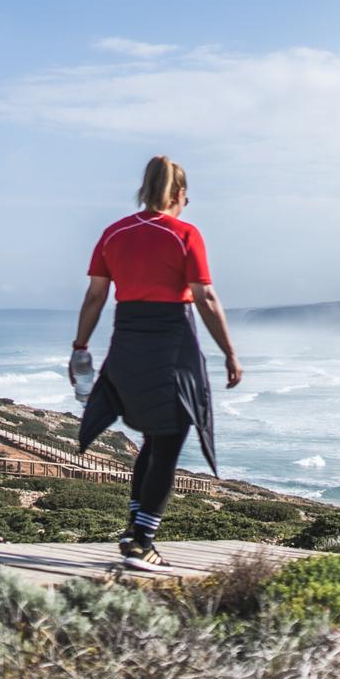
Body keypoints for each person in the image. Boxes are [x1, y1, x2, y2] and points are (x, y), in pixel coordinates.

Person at [73, 155, 242, 571]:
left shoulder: (114, 233)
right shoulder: (185, 234)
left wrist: (80, 346)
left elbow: (96, 296)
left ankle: (134, 530)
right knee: (169, 439)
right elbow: (203, 296)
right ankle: (142, 538)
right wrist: (230, 353)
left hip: (127, 341)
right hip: (172, 343)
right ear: (180, 194)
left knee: (153, 436)